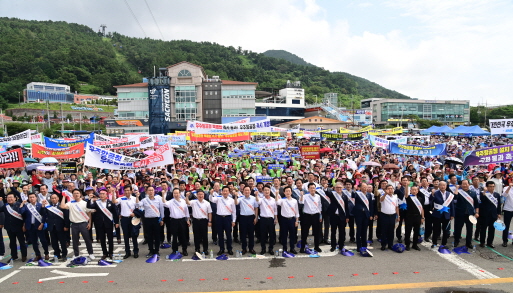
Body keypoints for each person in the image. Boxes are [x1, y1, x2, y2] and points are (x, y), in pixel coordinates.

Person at [60, 189, 95, 260]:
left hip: (83, 223)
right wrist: (64, 196)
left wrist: (89, 223)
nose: (76, 195)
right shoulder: (70, 203)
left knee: (87, 239)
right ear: (72, 195)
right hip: (74, 224)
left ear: (80, 194)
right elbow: (62, 206)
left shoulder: (84, 203)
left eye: (77, 193)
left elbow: (89, 213)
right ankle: (76, 254)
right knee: (75, 241)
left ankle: (91, 253)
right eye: (74, 193)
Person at [87, 189, 119, 261]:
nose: (101, 195)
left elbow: (115, 213)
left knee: (110, 239)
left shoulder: (110, 203)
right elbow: (89, 206)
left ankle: (110, 253)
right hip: (99, 224)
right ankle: (105, 253)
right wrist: (89, 199)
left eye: (103, 194)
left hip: (109, 223)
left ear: (106, 195)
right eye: (100, 194)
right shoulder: (97, 203)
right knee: (102, 239)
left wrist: (116, 222)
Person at [136, 186, 165, 257]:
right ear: (147, 192)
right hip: (147, 220)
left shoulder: (158, 199)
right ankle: (151, 251)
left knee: (157, 236)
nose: (151, 192)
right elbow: (137, 205)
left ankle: (157, 250)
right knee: (149, 236)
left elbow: (161, 210)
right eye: (149, 190)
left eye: (152, 190)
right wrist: (137, 197)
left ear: (154, 191)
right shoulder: (144, 200)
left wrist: (161, 219)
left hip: (156, 219)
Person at [20, 193, 49, 261]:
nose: (32, 198)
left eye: (33, 197)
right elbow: (21, 213)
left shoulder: (40, 205)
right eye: (30, 197)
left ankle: (46, 253)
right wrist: (22, 204)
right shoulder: (27, 206)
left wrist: (42, 224)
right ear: (28, 198)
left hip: (39, 225)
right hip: (30, 226)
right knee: (34, 242)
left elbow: (44, 215)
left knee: (43, 240)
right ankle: (37, 255)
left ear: (36, 198)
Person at [112, 185, 139, 259]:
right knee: (126, 236)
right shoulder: (121, 198)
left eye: (128, 190)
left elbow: (138, 207)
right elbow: (114, 202)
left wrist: (135, 213)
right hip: (124, 219)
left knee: (134, 235)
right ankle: (127, 252)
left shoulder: (134, 198)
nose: (127, 192)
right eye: (125, 190)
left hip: (133, 219)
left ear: (131, 191)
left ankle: (136, 251)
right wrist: (113, 193)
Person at [0, 193, 28, 261]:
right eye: (8, 198)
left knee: (22, 242)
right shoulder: (5, 206)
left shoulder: (20, 205)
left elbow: (25, 216)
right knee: (12, 243)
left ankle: (24, 255)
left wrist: (24, 225)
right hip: (9, 227)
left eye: (11, 197)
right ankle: (14, 256)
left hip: (19, 227)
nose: (9, 199)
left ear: (15, 198)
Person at [163, 188, 190, 256]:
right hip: (173, 220)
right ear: (173, 194)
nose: (176, 194)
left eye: (177, 193)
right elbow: (164, 203)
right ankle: (174, 250)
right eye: (174, 193)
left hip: (182, 220)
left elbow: (186, 211)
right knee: (174, 236)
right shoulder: (171, 201)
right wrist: (163, 195)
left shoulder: (183, 201)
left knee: (183, 236)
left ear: (180, 194)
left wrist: (188, 220)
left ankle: (184, 250)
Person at [453, 180, 480, 249]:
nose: (465, 185)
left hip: (470, 214)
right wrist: (456, 188)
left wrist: (476, 212)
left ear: (469, 184)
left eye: (466, 184)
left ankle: (468, 242)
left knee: (470, 229)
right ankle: (456, 241)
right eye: (463, 184)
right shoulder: (459, 192)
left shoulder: (473, 193)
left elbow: (476, 204)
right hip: (460, 213)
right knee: (458, 228)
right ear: (461, 185)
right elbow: (454, 197)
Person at [210, 186, 236, 255]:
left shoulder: (231, 200)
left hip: (227, 218)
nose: (225, 192)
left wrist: (233, 220)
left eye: (226, 191)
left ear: (229, 192)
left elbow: (234, 211)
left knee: (228, 235)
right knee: (220, 235)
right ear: (222, 192)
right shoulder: (218, 198)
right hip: (219, 218)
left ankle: (229, 249)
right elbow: (211, 199)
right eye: (224, 191)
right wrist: (211, 194)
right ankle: (221, 249)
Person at [44, 193, 70, 262]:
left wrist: (66, 226)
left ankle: (64, 255)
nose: (54, 199)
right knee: (54, 242)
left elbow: (66, 217)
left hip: (61, 227)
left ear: (58, 198)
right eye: (52, 198)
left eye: (55, 198)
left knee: (63, 242)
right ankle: (57, 254)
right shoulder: (48, 207)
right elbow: (44, 214)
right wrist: (43, 206)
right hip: (52, 227)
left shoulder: (62, 206)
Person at [185, 189, 212, 254]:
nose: (200, 196)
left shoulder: (207, 203)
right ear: (197, 195)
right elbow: (187, 202)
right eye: (199, 194)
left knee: (204, 236)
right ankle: (197, 249)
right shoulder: (194, 202)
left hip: (204, 221)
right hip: (196, 221)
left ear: (204, 195)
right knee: (196, 236)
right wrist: (187, 196)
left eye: (202, 194)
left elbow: (210, 213)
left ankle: (205, 249)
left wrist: (210, 221)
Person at [234, 186, 258, 255]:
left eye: (248, 190)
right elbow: (236, 203)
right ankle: (244, 248)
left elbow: (256, 208)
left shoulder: (253, 198)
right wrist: (235, 196)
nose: (247, 191)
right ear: (243, 191)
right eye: (245, 190)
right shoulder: (241, 198)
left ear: (250, 191)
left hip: (251, 217)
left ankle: (251, 248)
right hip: (243, 218)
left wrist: (256, 218)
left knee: (251, 234)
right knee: (243, 234)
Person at [299, 183, 322, 253]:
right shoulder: (305, 196)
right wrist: (301, 195)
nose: (312, 189)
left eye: (313, 188)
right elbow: (300, 202)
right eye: (311, 188)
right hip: (307, 216)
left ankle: (317, 246)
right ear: (308, 189)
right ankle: (302, 247)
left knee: (316, 232)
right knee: (305, 232)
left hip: (316, 215)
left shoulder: (318, 196)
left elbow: (319, 206)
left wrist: (320, 216)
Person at [431, 181, 455, 248]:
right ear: (439, 186)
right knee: (435, 229)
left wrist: (452, 214)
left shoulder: (449, 194)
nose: (442, 186)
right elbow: (431, 202)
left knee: (445, 230)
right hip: (437, 214)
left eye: (444, 185)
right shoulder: (435, 193)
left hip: (446, 214)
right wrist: (432, 196)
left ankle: (444, 243)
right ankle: (434, 243)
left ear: (446, 186)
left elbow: (452, 205)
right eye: (441, 185)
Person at [276, 186, 299, 254]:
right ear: (284, 192)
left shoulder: (294, 201)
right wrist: (277, 194)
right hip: (284, 220)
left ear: (291, 192)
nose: (288, 192)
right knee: (284, 235)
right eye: (286, 191)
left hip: (292, 219)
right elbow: (277, 202)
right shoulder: (282, 200)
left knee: (292, 235)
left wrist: (297, 220)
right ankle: (285, 248)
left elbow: (297, 212)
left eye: (289, 191)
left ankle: (292, 248)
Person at [478, 181, 501, 248]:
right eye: (490, 186)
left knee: (492, 230)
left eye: (493, 186)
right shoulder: (483, 193)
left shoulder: (497, 194)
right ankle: (482, 242)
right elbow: (482, 200)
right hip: (485, 214)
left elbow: (498, 205)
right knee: (483, 229)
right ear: (487, 187)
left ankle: (490, 242)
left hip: (493, 214)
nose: (492, 188)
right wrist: (484, 192)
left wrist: (499, 213)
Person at [353, 182, 374, 252]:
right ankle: (358, 246)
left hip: (366, 215)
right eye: (364, 187)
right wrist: (354, 189)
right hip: (358, 214)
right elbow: (352, 196)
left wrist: (371, 215)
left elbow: (371, 205)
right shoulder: (357, 194)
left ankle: (364, 245)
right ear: (360, 187)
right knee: (359, 230)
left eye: (366, 187)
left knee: (364, 231)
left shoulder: (369, 195)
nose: (365, 188)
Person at [328, 182, 349, 251]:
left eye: (340, 187)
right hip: (334, 216)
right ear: (335, 188)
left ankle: (341, 245)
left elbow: (346, 208)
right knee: (333, 232)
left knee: (342, 232)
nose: (339, 189)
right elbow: (327, 193)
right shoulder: (332, 194)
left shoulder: (345, 196)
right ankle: (333, 246)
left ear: (342, 188)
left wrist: (347, 217)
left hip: (342, 216)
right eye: (337, 187)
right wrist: (326, 187)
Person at [256, 185, 277, 255]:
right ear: (263, 191)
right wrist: (256, 195)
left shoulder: (273, 200)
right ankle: (263, 248)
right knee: (263, 235)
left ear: (270, 191)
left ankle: (271, 249)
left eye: (268, 190)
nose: (266, 191)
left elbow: (275, 210)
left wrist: (276, 218)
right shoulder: (261, 199)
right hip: (263, 219)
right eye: (265, 190)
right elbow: (257, 202)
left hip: (271, 219)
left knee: (271, 235)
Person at [404, 186, 424, 251]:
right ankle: (407, 244)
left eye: (416, 190)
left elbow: (421, 208)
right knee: (408, 231)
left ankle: (415, 245)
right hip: (409, 216)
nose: (414, 191)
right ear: (411, 191)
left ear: (417, 191)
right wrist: (407, 186)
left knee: (416, 231)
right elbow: (406, 194)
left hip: (417, 216)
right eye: (413, 190)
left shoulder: (420, 199)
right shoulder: (409, 197)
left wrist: (422, 217)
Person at [379, 184, 399, 251]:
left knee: (391, 231)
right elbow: (381, 200)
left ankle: (390, 244)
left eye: (391, 188)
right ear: (386, 189)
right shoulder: (383, 195)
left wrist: (398, 215)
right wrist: (385, 194)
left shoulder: (395, 197)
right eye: (389, 188)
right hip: (384, 215)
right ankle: (383, 245)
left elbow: (396, 207)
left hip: (392, 215)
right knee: (384, 231)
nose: (390, 190)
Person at [394, 176, 410, 243]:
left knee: (408, 223)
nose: (405, 181)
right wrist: (397, 189)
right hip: (400, 208)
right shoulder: (399, 188)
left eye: (406, 180)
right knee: (399, 223)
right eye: (403, 180)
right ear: (401, 181)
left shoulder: (410, 188)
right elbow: (394, 193)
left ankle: (407, 237)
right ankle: (399, 237)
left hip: (408, 208)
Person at [502, 181, 513, 247]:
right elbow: (504, 195)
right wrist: (509, 187)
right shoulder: (506, 188)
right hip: (508, 209)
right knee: (506, 226)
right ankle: (505, 240)